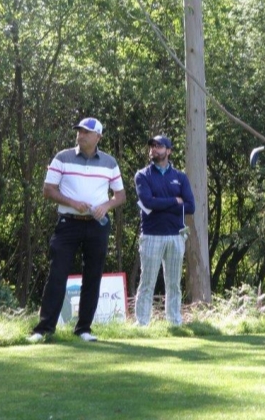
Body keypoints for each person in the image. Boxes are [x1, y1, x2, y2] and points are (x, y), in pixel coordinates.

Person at [28, 117, 126, 343]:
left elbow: (120, 195)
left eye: (86, 132)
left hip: (96, 225)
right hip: (68, 223)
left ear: (98, 137)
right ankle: (43, 329)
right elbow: (48, 190)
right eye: (79, 131)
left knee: (92, 276)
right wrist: (72, 202)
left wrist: (106, 205)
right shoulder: (62, 157)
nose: (81, 135)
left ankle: (83, 329)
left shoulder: (109, 162)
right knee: (57, 274)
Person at [134, 135, 195, 326]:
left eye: (159, 146)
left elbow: (190, 206)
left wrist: (162, 204)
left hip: (176, 236)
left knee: (174, 283)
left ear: (168, 151)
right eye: (152, 146)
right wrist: (174, 201)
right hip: (151, 235)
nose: (154, 149)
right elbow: (148, 202)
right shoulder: (143, 175)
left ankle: (174, 322)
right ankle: (142, 323)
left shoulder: (180, 177)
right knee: (147, 282)